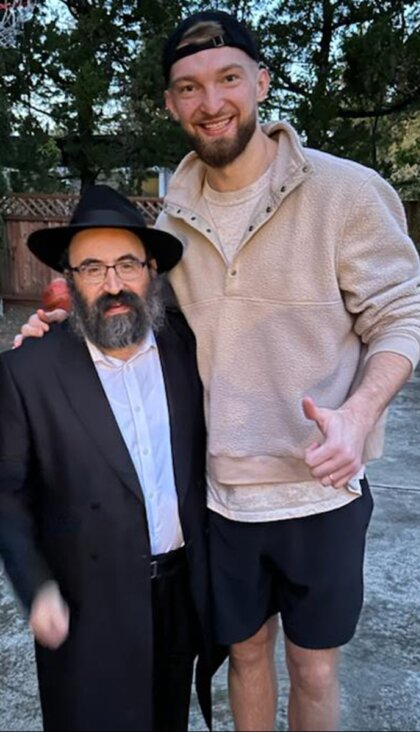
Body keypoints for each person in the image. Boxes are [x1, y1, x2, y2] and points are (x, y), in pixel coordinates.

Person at [17, 9, 420, 731]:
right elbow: (137, 318)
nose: (211, 102)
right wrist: (62, 328)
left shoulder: (348, 193)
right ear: (172, 104)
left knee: (315, 664)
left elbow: (402, 315)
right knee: (243, 654)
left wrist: (359, 416)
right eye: (189, 88)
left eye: (228, 78)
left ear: (262, 82)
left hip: (319, 491)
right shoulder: (170, 223)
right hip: (221, 496)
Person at [0, 185, 222, 730]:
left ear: (152, 271)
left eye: (127, 264)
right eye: (93, 268)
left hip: (179, 595)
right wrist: (36, 586)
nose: (114, 284)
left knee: (168, 718)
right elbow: (6, 494)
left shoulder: (191, 349)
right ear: (69, 281)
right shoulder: (28, 372)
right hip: (85, 603)